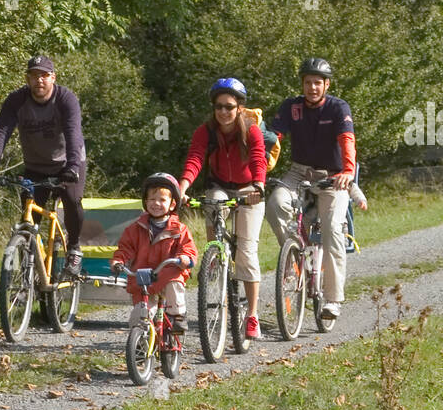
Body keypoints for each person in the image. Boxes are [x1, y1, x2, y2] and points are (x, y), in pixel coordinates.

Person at [0, 54, 86, 276]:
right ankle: (28, 276)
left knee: (72, 200)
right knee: (29, 218)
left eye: (44, 75)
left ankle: (74, 248)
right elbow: (2, 133)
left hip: (67, 164)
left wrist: (73, 167)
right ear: (27, 79)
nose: (39, 80)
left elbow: (73, 134)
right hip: (36, 167)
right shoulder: (16, 100)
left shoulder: (66, 99)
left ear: (53, 77)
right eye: (34, 76)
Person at [266, 57, 356, 321]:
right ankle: (294, 256)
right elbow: (274, 137)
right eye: (308, 82)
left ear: (326, 85)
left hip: (333, 177)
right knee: (275, 204)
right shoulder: (291, 106)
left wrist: (348, 171)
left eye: (317, 82)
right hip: (299, 172)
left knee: (333, 228)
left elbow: (347, 140)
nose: (312, 87)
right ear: (302, 84)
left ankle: (333, 299)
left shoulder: (338, 108)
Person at [178, 77, 266, 339]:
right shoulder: (206, 131)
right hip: (220, 186)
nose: (223, 112)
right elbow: (195, 159)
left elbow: (258, 159)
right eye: (219, 106)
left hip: (248, 189)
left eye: (229, 106)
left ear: (239, 107)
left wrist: (259, 186)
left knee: (247, 252)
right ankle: (215, 259)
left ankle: (252, 315)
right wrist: (182, 186)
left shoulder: (251, 130)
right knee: (213, 210)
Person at [111, 174, 197, 332]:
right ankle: (141, 340)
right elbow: (125, 248)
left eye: (162, 200)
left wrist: (185, 258)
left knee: (174, 282)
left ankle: (178, 316)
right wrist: (119, 261)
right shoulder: (134, 229)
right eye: (152, 199)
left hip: (167, 276)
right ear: (145, 202)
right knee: (139, 319)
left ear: (172, 204)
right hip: (143, 281)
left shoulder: (179, 229)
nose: (156, 203)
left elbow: (188, 248)